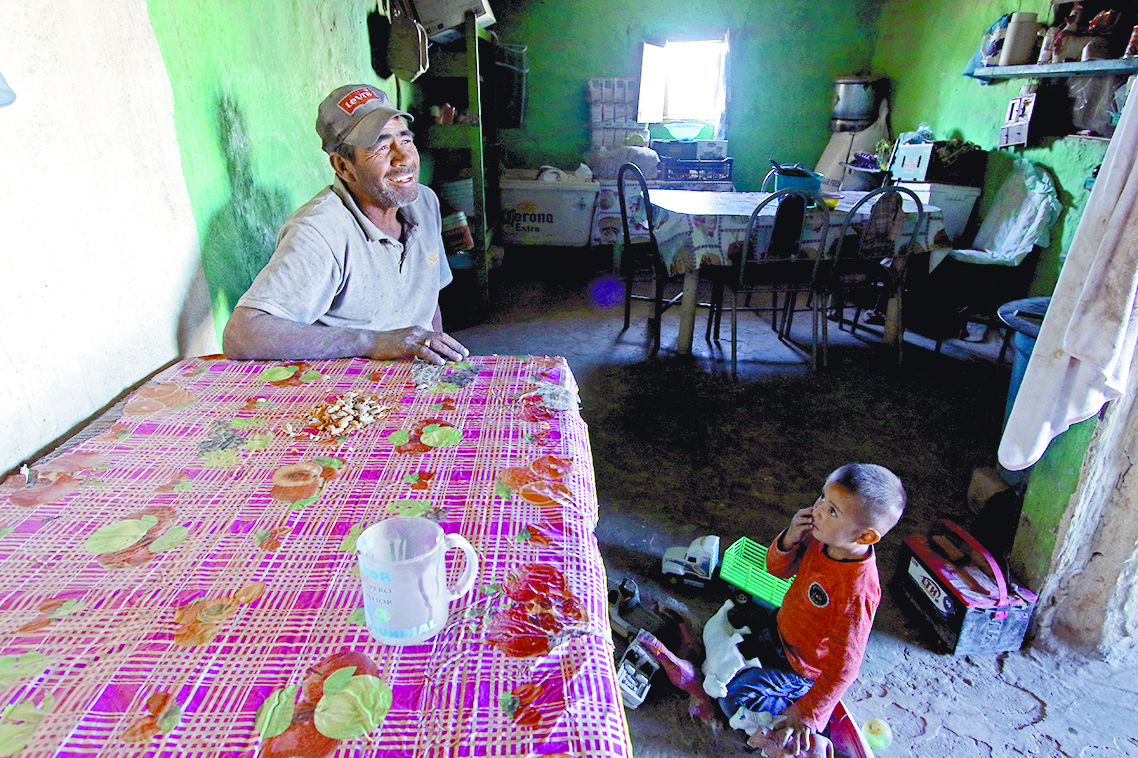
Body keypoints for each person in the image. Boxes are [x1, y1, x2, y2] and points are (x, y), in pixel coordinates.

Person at [222, 84, 469, 366]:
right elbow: (240, 334)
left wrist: (434, 359)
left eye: (406, 140)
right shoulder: (319, 231)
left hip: (414, 380)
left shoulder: (423, 202)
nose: (404, 159)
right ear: (343, 167)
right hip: (348, 393)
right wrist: (372, 341)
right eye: (382, 147)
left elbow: (427, 301)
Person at [723, 463, 906, 757]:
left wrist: (808, 714)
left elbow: (845, 668)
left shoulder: (857, 592)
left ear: (865, 537)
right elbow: (776, 570)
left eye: (833, 510)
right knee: (730, 618)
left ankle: (802, 728)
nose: (817, 510)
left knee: (733, 697)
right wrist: (789, 539)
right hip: (780, 629)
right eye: (822, 497)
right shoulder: (821, 537)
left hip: (801, 667)